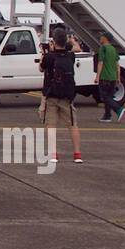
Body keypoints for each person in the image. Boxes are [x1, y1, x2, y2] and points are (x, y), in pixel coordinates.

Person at [39, 27, 82, 163]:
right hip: (67, 96)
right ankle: (77, 154)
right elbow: (76, 47)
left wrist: (44, 53)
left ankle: (53, 154)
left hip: (51, 95)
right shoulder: (70, 56)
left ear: (53, 40)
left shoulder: (49, 57)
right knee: (72, 125)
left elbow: (41, 68)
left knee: (51, 125)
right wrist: (71, 40)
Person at [95, 31, 124, 122]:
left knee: (105, 97)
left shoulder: (103, 48)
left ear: (105, 38)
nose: (100, 38)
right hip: (113, 77)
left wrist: (97, 76)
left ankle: (118, 109)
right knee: (109, 97)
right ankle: (107, 115)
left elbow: (100, 63)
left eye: (101, 36)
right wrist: (118, 77)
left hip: (105, 76)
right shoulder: (113, 49)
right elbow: (117, 64)